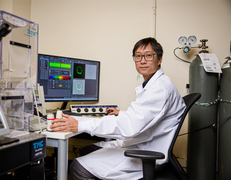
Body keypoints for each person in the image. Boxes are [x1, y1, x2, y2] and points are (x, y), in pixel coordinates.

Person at [50, 37, 186, 180]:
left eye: (148, 55)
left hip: (147, 152)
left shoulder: (159, 89)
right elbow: (145, 115)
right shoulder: (155, 84)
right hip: (143, 142)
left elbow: (129, 127)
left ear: (159, 59)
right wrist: (122, 113)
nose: (142, 60)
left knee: (77, 168)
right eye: (138, 56)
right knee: (87, 149)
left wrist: (79, 125)